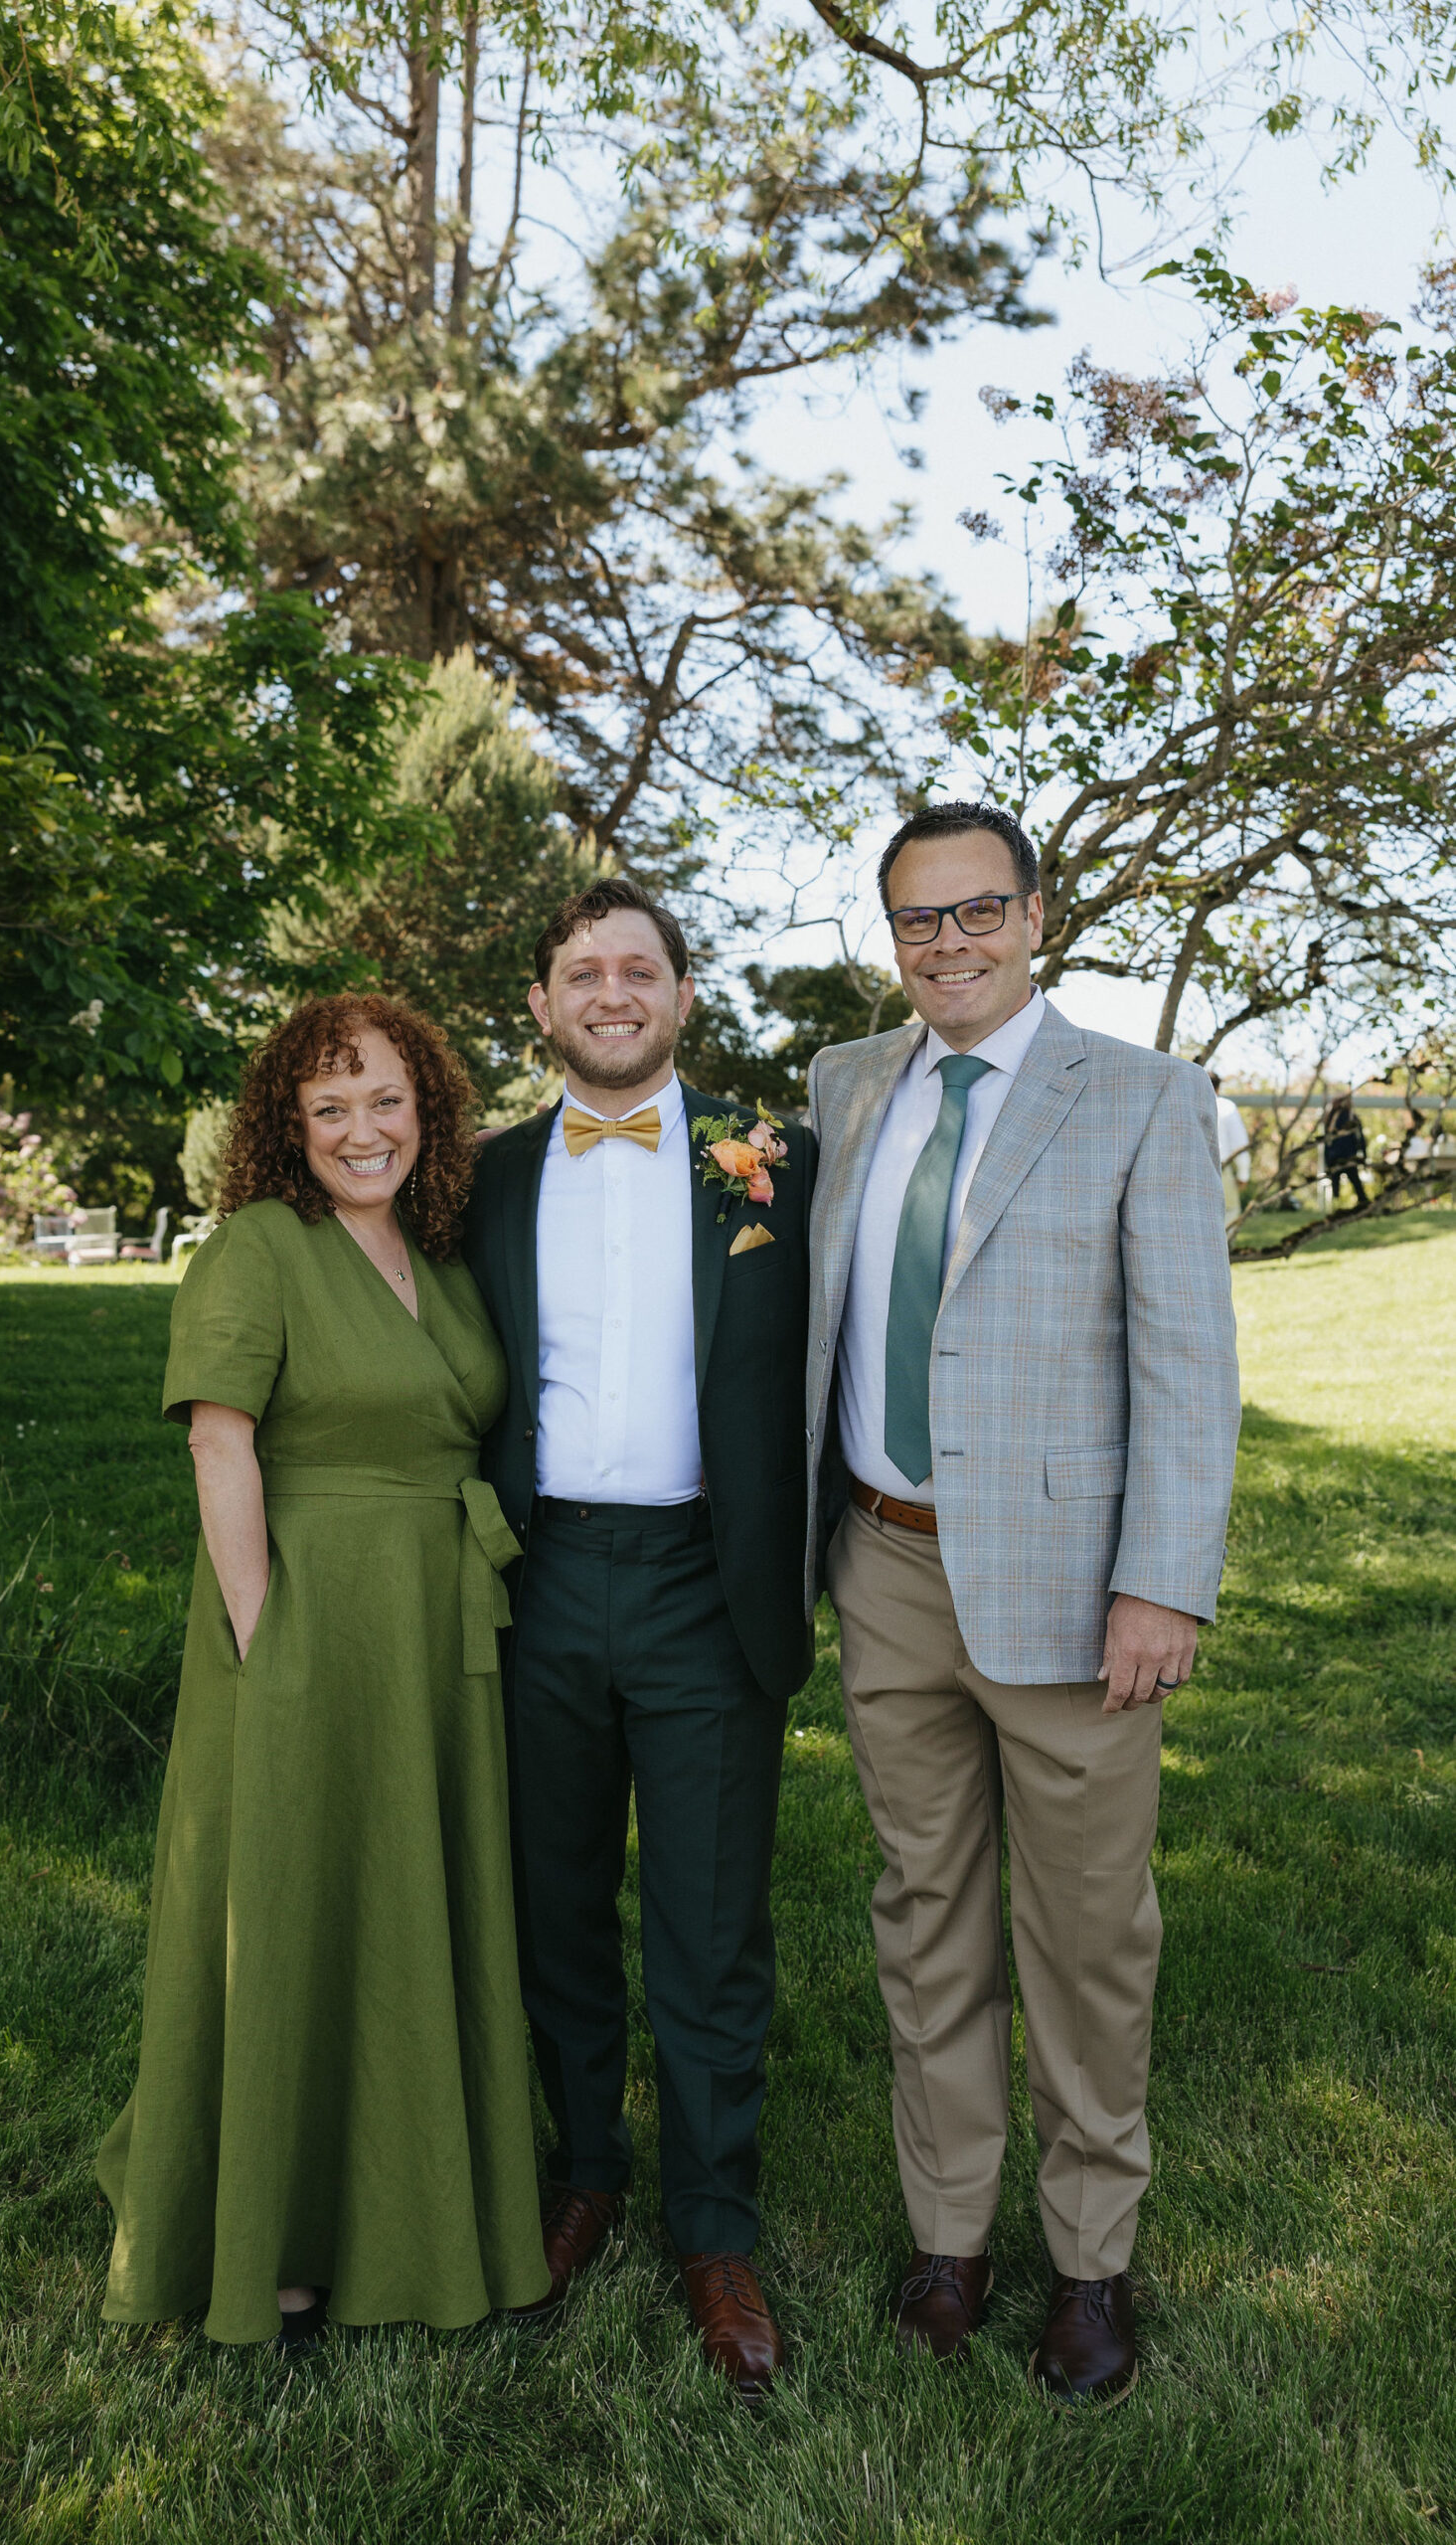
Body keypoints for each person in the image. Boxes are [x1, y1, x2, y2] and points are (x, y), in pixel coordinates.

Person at [804, 801, 1239, 2405]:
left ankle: (1087, 2263)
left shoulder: (1138, 1098)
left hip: (1073, 1591)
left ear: (1036, 915)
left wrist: (1160, 1584)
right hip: (883, 1564)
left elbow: (1188, 1366)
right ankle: (947, 2240)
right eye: (917, 921)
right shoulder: (849, 1089)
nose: (947, 944)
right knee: (924, 1922)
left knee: (1082, 1940)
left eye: (977, 910)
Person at [97, 994, 550, 2346]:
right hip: (301, 1619)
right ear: (287, 1128)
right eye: (330, 1107)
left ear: (429, 1110)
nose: (365, 1129)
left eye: (387, 1100)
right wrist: (262, 1640)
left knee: (418, 1902)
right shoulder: (255, 1248)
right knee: (295, 1909)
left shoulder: (441, 1254)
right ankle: (280, 2256)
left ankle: (423, 2217)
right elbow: (218, 1444)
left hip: (433, 1624)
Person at [464, 878, 817, 2399]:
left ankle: (712, 2224)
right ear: (539, 1006)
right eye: (580, 973)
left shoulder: (775, 1167)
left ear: (681, 996)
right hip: (535, 1580)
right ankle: (584, 2172)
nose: (611, 994)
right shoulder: (473, 1177)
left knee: (706, 1918)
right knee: (549, 1906)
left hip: (703, 1579)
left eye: (639, 970)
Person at [1210, 1072, 1252, 1228]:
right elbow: (1239, 1143)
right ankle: (1224, 1251)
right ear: (1218, 1086)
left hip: (1189, 1169)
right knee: (1230, 1211)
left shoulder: (1188, 1105)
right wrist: (1243, 1174)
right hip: (1220, 1168)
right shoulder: (1226, 1107)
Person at [1322, 1096, 1369, 1208]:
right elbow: (1359, 1138)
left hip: (1342, 1156)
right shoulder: (1334, 1118)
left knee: (1348, 1182)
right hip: (1343, 1156)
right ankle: (1341, 1205)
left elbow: (1359, 1137)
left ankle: (1357, 1203)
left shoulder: (1340, 1117)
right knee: (1346, 1183)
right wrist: (1363, 1154)